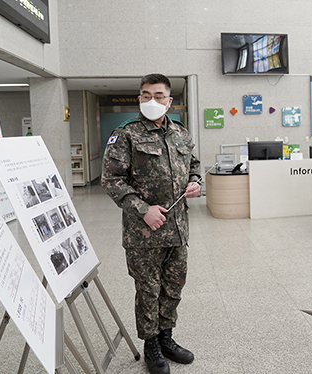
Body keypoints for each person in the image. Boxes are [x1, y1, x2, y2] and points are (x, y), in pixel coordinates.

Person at [102, 73, 201, 374]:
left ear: (170, 101)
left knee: (173, 288)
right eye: (146, 95)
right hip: (143, 234)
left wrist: (195, 183)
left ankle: (167, 338)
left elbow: (193, 166)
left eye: (158, 96)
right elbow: (111, 180)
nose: (152, 101)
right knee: (148, 290)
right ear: (139, 98)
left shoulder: (181, 134)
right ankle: (151, 346)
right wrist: (143, 209)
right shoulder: (126, 134)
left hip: (177, 231)